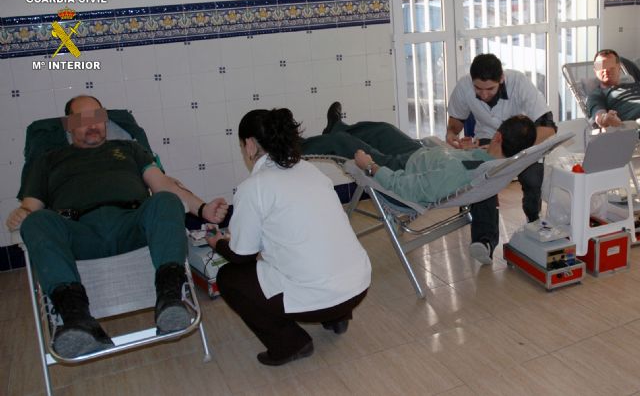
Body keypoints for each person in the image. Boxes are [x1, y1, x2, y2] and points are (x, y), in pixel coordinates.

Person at [5, 95, 229, 358]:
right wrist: (22, 214)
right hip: (78, 234)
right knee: (37, 222)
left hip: (131, 225)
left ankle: (170, 300)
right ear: (68, 125)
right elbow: (31, 207)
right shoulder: (48, 160)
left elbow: (164, 185)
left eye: (97, 118)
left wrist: (202, 208)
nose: (92, 125)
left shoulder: (130, 149)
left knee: (165, 201)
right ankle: (77, 319)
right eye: (82, 120)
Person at [205, 108, 371, 366]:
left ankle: (291, 343)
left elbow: (241, 255)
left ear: (250, 145)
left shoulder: (254, 188)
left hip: (320, 298)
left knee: (229, 278)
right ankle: (337, 319)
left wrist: (218, 242)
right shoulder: (310, 170)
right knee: (311, 254)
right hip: (357, 286)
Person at [303, 106, 537, 264]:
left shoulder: (463, 172)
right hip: (418, 154)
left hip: (398, 169)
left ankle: (291, 149)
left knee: (342, 143)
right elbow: (460, 164)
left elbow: (410, 188)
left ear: (498, 137)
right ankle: (337, 126)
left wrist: (371, 167)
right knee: (383, 129)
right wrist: (469, 151)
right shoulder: (495, 164)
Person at [444, 53, 556, 260]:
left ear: (501, 79)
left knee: (532, 181)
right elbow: (455, 122)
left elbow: (549, 128)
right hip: (488, 140)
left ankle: (534, 222)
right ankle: (484, 241)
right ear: (471, 81)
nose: (484, 94)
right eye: (478, 89)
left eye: (490, 89)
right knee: (483, 180)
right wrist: (452, 135)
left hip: (525, 140)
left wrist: (514, 145)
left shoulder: (519, 83)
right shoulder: (463, 87)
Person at [587, 48, 640, 128]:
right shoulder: (597, 95)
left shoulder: (635, 84)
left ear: (619, 68)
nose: (606, 71)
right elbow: (599, 116)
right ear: (595, 71)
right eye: (602, 68)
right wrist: (606, 119)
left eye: (611, 68)